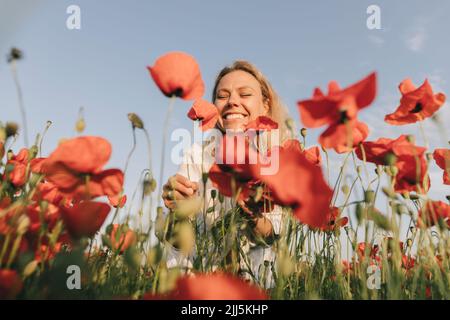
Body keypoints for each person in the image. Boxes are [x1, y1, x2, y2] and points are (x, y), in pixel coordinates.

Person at [161, 60, 292, 287]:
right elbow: (176, 242)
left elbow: (274, 233)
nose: (232, 102)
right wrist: (177, 211)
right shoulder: (197, 155)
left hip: (256, 286)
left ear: (265, 105)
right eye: (222, 96)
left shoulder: (279, 157)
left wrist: (252, 214)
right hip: (197, 285)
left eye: (244, 94)